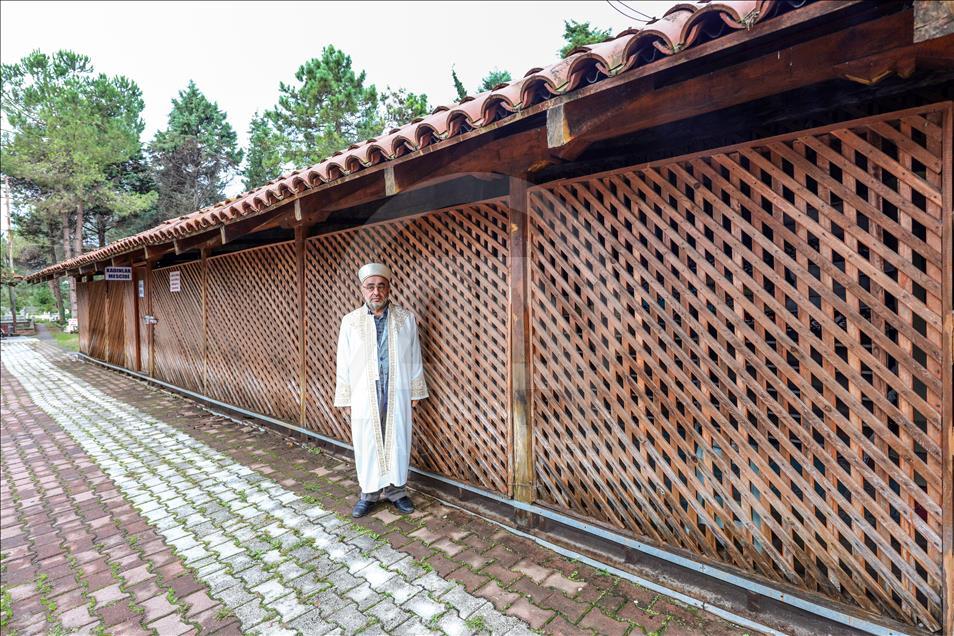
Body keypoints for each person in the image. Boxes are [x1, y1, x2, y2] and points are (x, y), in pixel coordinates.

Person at [334, 263, 428, 518]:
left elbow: (414, 356)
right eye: (370, 287)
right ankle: (369, 494)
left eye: (381, 286)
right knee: (367, 440)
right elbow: (343, 361)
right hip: (364, 392)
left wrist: (416, 390)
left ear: (389, 288)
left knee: (397, 438)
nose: (376, 292)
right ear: (362, 289)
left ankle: (397, 492)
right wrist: (345, 396)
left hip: (397, 388)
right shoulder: (350, 322)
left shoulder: (406, 319)